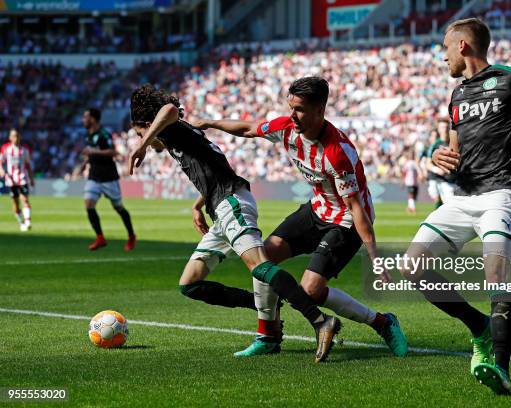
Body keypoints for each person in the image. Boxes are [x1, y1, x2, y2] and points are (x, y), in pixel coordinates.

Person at [401, 18, 511, 394]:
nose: (443, 57)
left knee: (495, 275)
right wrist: (437, 155)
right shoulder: (456, 96)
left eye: (445, 49)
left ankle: (501, 368)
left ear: (462, 46)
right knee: (412, 266)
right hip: (461, 198)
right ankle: (478, 326)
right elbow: (453, 153)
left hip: (499, 195)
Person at [194, 77, 408, 358]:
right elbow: (247, 128)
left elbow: (356, 207)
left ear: (320, 110)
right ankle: (268, 336)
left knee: (311, 290)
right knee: (263, 259)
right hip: (317, 208)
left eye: (300, 110)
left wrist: (374, 256)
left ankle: (383, 322)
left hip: (344, 220)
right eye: (290, 107)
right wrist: (211, 123)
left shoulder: (337, 153)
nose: (292, 115)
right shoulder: (286, 127)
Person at [128, 84, 342, 363]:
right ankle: (268, 305)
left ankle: (319, 320)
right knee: (190, 284)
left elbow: (168, 111)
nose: (143, 139)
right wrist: (198, 205)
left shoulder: (171, 128)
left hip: (232, 203)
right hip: (219, 207)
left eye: (139, 132)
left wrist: (142, 144)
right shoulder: (179, 136)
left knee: (261, 267)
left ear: (146, 124)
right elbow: (214, 168)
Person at [81, 108, 136, 251]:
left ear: (93, 119)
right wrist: (84, 164)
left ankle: (131, 236)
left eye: (85, 117)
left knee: (118, 207)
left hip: (108, 177)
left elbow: (113, 152)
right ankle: (100, 238)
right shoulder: (88, 134)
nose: (83, 120)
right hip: (94, 176)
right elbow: (92, 154)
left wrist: (93, 152)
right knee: (88, 204)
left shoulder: (104, 134)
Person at [0, 129, 34, 231]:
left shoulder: (24, 150)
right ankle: (21, 222)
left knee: (25, 199)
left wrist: (31, 178)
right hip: (10, 180)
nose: (16, 138)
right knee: (15, 203)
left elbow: (28, 165)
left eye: (17, 136)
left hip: (22, 178)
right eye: (14, 136)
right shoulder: (6, 148)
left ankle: (28, 221)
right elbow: (0, 162)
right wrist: (1, 171)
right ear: (10, 138)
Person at [425, 121, 456, 207]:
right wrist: (437, 170)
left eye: (446, 127)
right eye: (442, 127)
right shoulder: (435, 144)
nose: (445, 129)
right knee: (449, 205)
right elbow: (428, 164)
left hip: (456, 178)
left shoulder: (454, 142)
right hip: (443, 180)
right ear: (438, 129)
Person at [402, 147, 424, 214]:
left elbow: (403, 172)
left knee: (413, 196)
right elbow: (404, 172)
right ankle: (413, 208)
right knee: (411, 195)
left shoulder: (411, 163)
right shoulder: (411, 163)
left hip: (414, 182)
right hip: (410, 182)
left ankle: (410, 207)